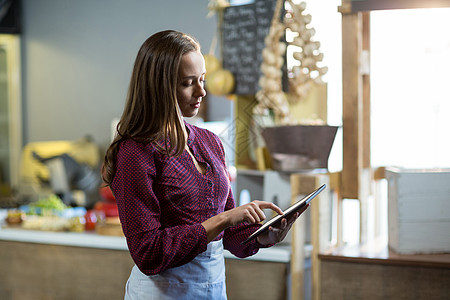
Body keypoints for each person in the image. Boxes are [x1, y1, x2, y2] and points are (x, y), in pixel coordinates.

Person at [102, 30, 308, 300]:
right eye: (188, 83)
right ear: (159, 86)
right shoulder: (135, 152)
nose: (202, 92)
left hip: (213, 289)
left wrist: (261, 237)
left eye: (202, 80)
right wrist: (222, 220)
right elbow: (148, 253)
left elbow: (232, 235)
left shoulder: (211, 142)